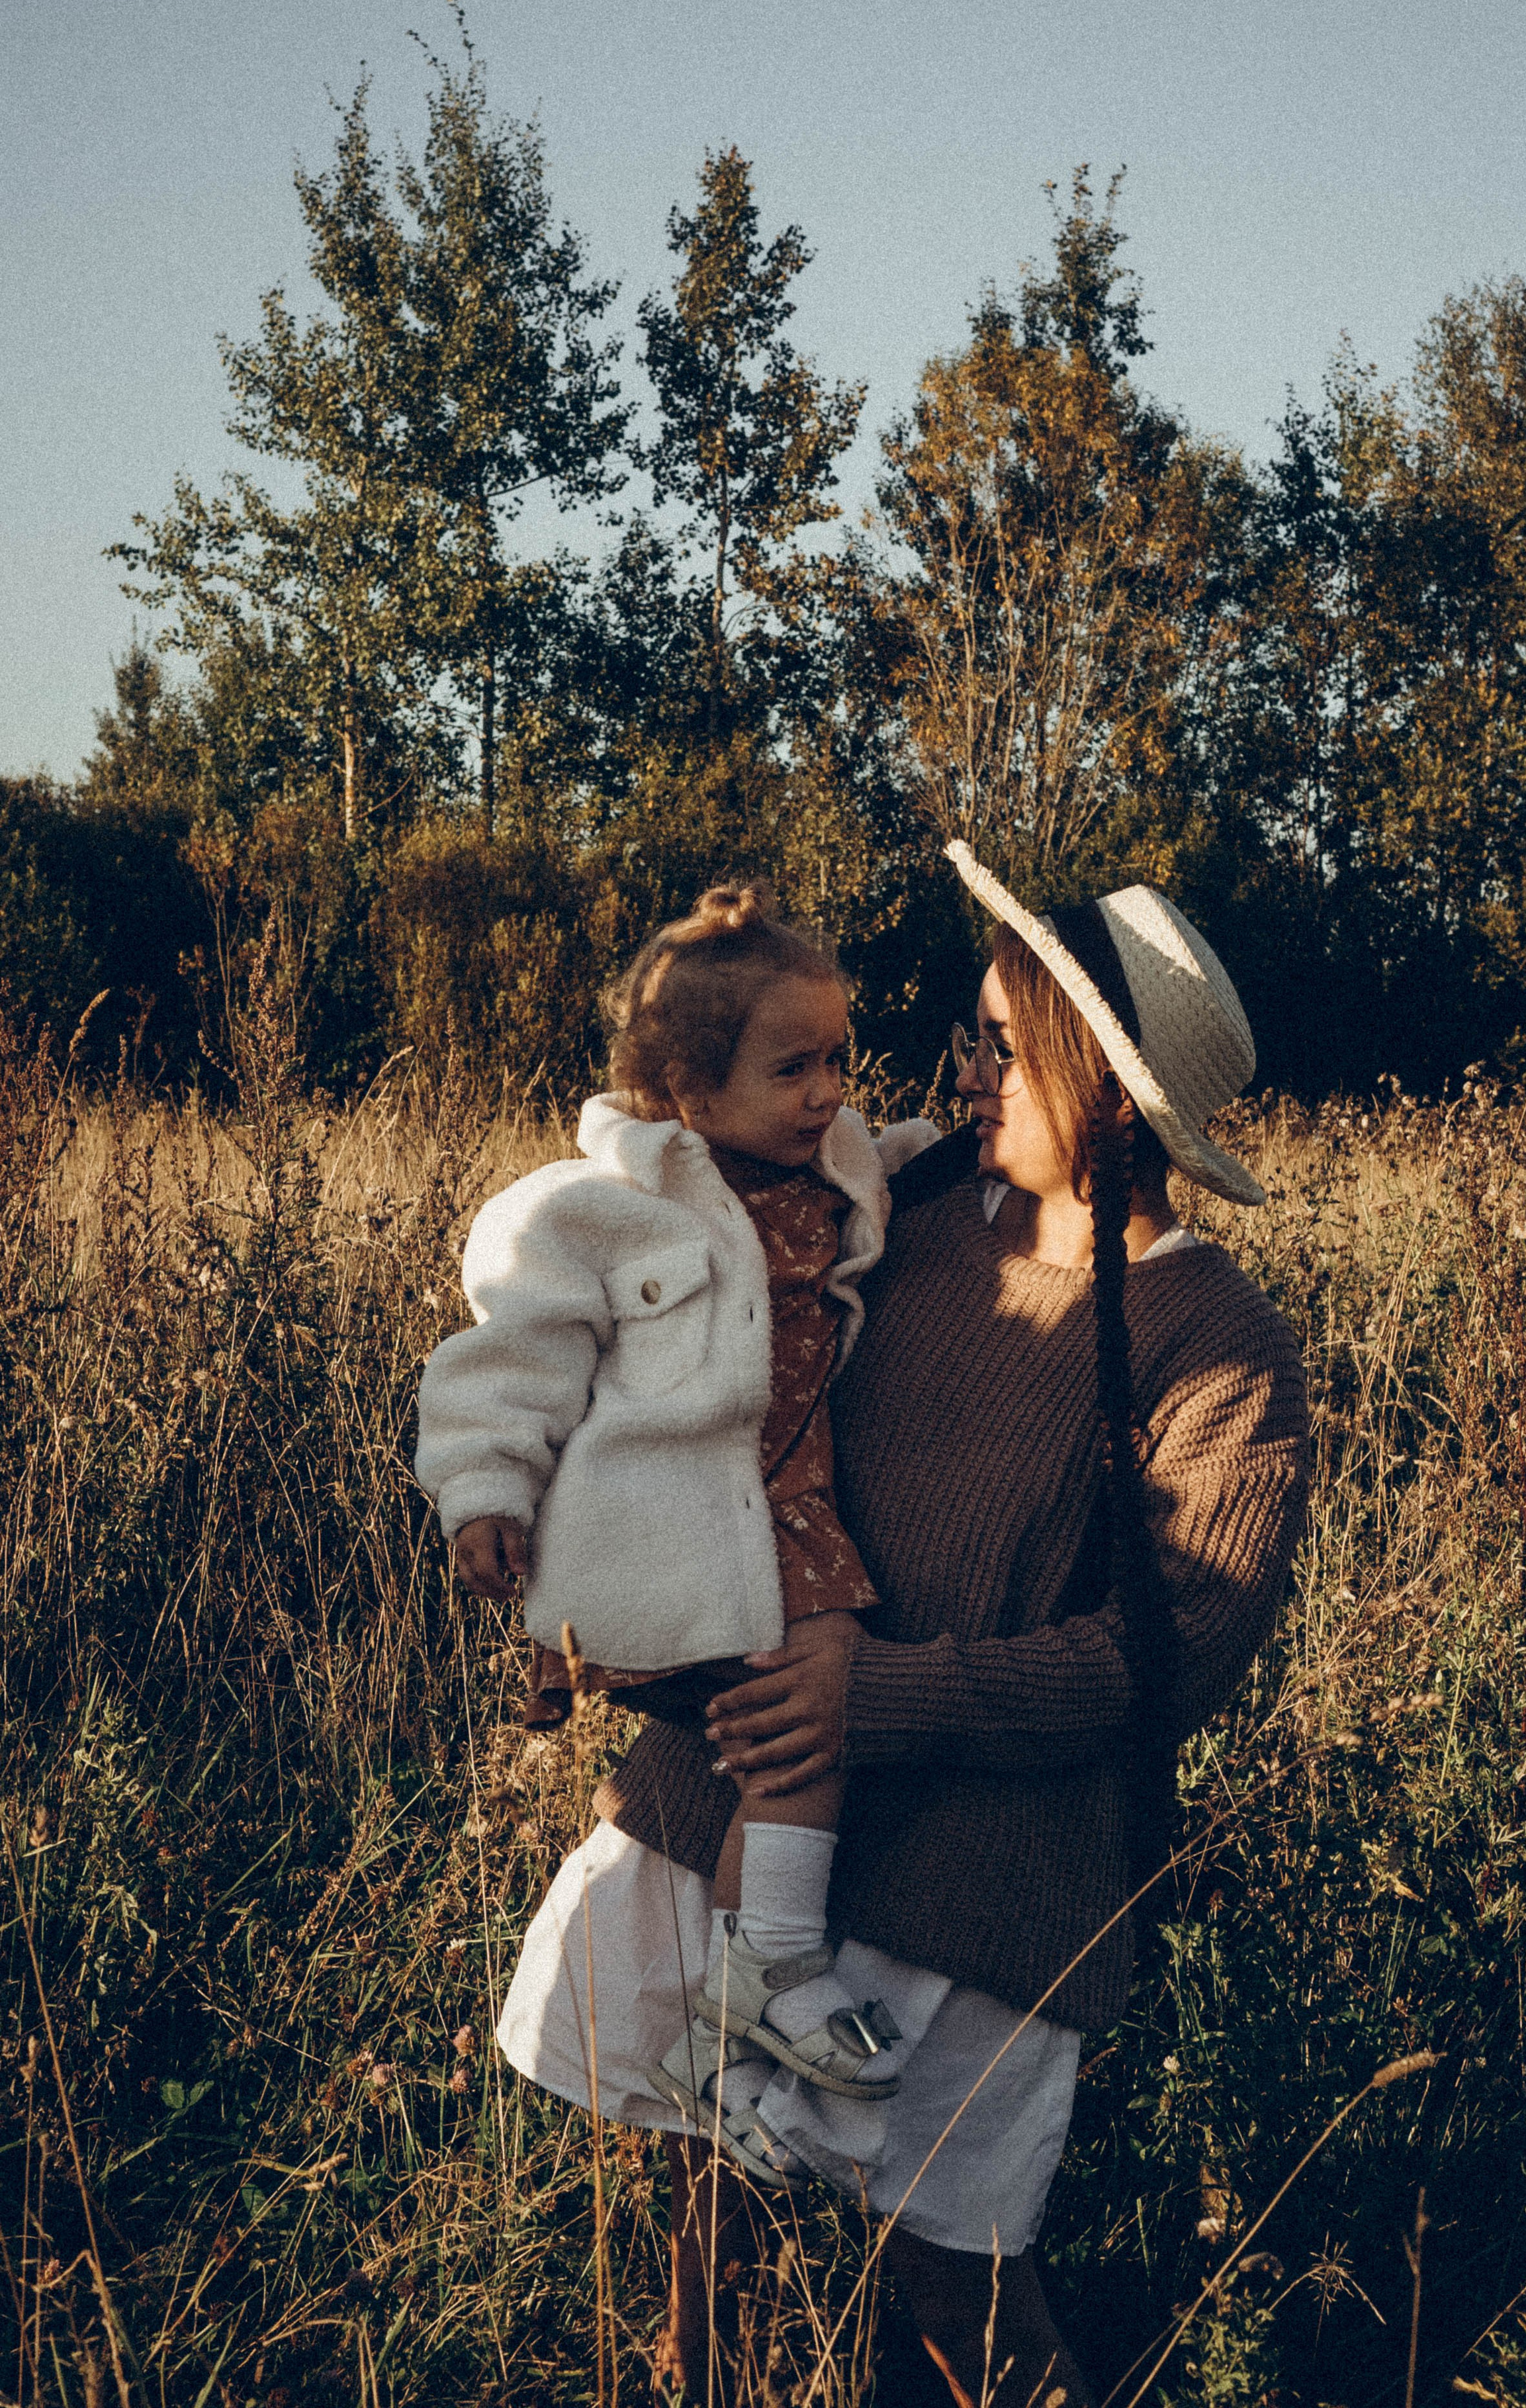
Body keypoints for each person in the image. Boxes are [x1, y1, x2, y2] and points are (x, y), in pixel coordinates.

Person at [482, 846, 1311, 2407]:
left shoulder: (1215, 1342)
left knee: (957, 2280)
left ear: (1107, 1095)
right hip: (741, 1797)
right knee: (705, 2211)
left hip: (976, 1880)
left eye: (1003, 1049)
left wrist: (886, 1695)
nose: (964, 1074)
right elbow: (679, 1362)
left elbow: (1166, 1657)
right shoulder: (905, 1212)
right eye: (967, 1039)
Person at [414, 883, 934, 2182]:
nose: (828, 1092)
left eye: (838, 1060)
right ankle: (768, 1964)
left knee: (804, 1713)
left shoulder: (837, 1161)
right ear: (686, 1092)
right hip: (671, 1526)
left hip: (790, 1515)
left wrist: (967, 1139)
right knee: (799, 1722)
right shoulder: (598, 1209)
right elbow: (510, 1358)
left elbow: (899, 1157)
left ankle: (729, 2039)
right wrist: (484, 1491)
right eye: (792, 1068)